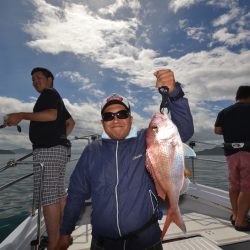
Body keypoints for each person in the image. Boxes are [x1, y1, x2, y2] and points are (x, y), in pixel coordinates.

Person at [56, 69, 194, 250]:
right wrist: (65, 232)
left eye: (121, 114)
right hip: (102, 244)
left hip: (146, 242)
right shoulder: (91, 151)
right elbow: (76, 194)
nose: (115, 119)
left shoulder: (148, 139)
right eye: (108, 116)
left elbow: (183, 130)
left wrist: (175, 94)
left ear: (131, 118)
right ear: (102, 123)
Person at [4, 67, 75, 250]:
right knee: (59, 195)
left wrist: (21, 115)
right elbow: (70, 122)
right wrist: (61, 137)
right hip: (57, 150)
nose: (35, 81)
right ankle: (62, 235)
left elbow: (51, 115)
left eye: (39, 78)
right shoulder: (56, 97)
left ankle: (54, 244)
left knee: (49, 198)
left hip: (48, 151)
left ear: (50, 79)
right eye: (33, 79)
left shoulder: (48, 94)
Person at [214, 85, 250, 232]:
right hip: (248, 151)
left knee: (234, 185)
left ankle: (235, 215)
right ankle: (241, 222)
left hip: (231, 153)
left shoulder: (224, 112)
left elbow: (217, 130)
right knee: (247, 186)